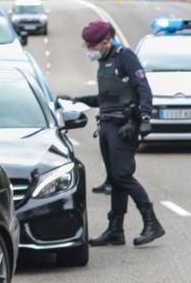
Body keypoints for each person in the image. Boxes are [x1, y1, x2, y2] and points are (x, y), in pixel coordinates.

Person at [60, 20, 165, 248]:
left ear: (106, 41)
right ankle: (115, 230)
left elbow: (143, 88)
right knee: (114, 179)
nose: (90, 51)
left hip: (124, 126)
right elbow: (106, 99)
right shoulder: (105, 61)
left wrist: (145, 117)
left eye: (92, 46)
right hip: (107, 125)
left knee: (123, 175)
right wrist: (77, 100)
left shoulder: (125, 57)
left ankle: (152, 222)